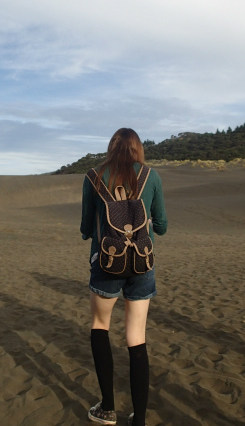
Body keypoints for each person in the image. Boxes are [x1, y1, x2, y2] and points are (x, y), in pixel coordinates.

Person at [80, 128, 168, 426]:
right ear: (138, 149)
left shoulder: (93, 177)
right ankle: (139, 419)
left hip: (107, 262)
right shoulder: (151, 176)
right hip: (142, 264)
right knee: (136, 338)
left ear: (111, 148)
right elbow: (163, 226)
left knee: (99, 326)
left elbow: (85, 228)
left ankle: (107, 409)